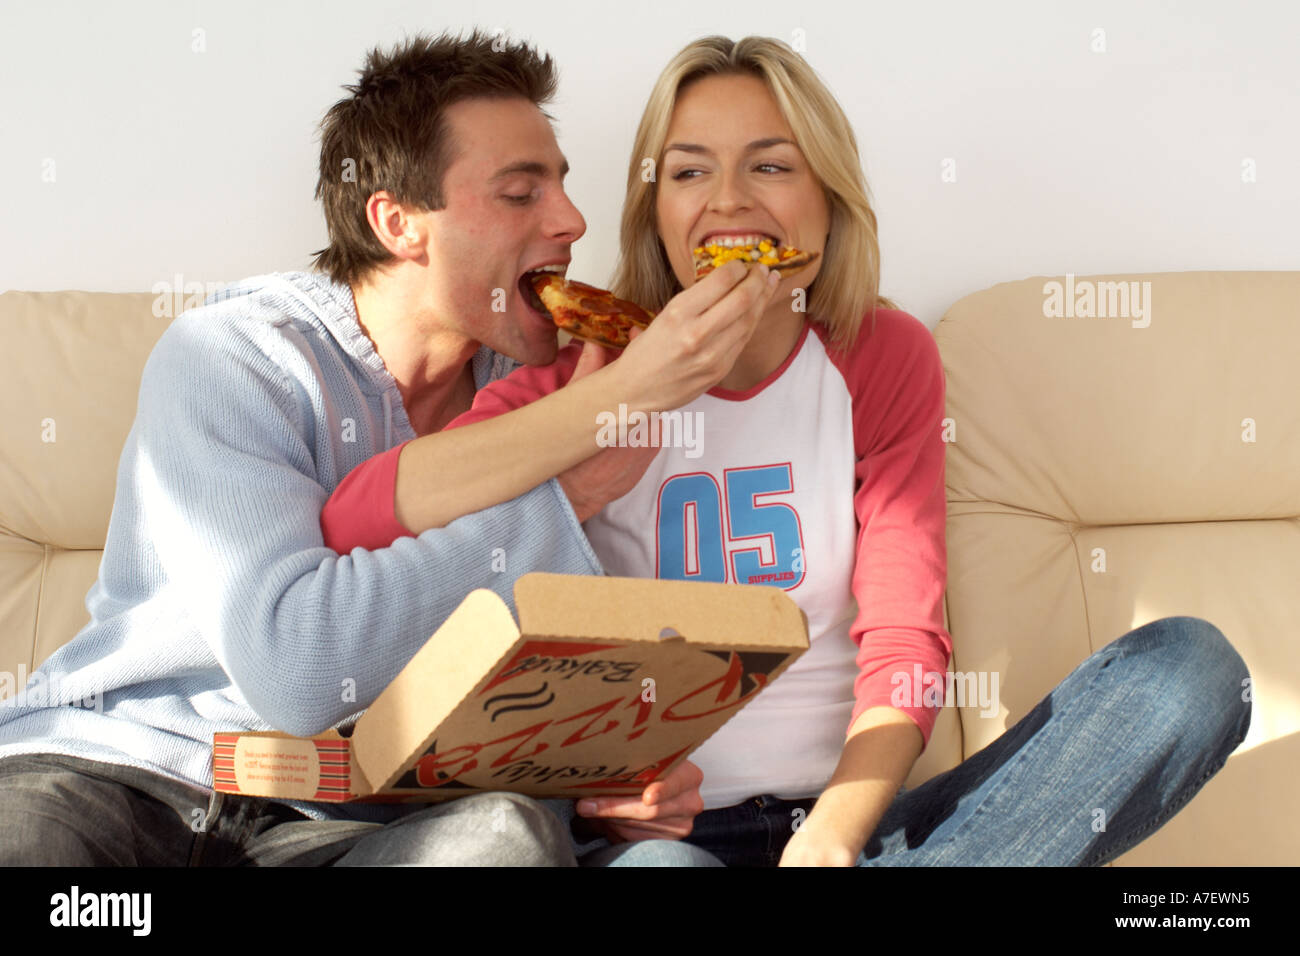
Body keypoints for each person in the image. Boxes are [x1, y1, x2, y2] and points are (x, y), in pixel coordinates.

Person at [321, 35, 1253, 866]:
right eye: (688, 174)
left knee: (1189, 671)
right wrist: (616, 399)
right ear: (656, 213)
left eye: (770, 167)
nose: (727, 200)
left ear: (824, 203)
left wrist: (835, 837)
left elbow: (907, 642)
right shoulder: (584, 364)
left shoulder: (877, 356)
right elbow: (356, 514)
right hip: (667, 847)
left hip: (855, 830)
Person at [0, 31, 777, 866]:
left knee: (508, 840)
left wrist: (614, 786)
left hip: (340, 825)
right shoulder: (233, 356)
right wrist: (563, 499)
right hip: (126, 778)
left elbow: (533, 689)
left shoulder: (553, 388)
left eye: (561, 185)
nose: (572, 220)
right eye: (521, 193)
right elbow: (299, 668)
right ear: (398, 222)